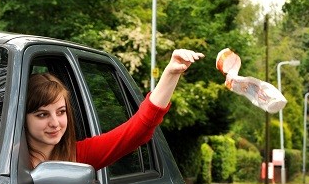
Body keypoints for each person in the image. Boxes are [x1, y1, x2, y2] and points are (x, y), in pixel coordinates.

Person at [24, 49, 204, 170]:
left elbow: (138, 130)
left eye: (61, 112)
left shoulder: (78, 156)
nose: (55, 123)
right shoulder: (3, 164)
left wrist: (170, 74)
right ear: (22, 118)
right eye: (42, 115)